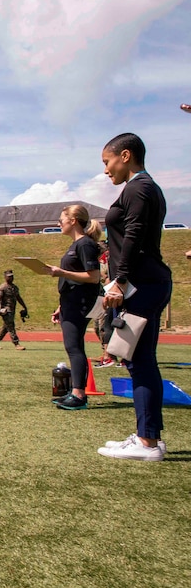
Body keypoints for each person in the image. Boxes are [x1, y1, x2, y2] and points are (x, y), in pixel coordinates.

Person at [96, 133, 172, 461]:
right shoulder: (144, 188)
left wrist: (119, 281)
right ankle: (149, 436)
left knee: (139, 362)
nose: (105, 170)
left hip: (141, 284)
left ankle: (146, 443)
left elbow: (134, 235)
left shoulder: (138, 188)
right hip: (146, 283)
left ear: (125, 156)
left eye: (107, 162)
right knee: (141, 361)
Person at [43, 205, 103, 409]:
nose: (58, 223)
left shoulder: (85, 244)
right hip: (71, 301)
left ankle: (78, 395)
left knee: (74, 347)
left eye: (62, 219)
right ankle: (75, 391)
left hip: (80, 302)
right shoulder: (77, 244)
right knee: (73, 346)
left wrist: (61, 273)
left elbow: (93, 277)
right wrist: (61, 305)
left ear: (74, 220)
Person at [0, 270, 28, 350]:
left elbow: (18, 298)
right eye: (9, 276)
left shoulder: (14, 288)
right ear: (5, 277)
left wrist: (24, 307)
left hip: (12, 310)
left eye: (12, 276)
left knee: (6, 327)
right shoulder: (2, 287)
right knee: (11, 326)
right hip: (5, 311)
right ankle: (16, 344)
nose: (11, 278)